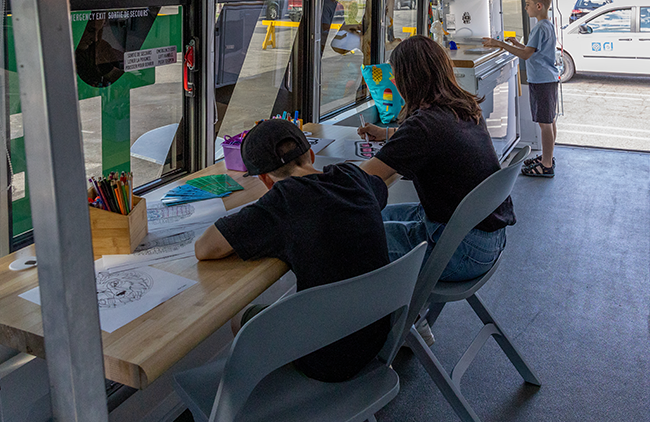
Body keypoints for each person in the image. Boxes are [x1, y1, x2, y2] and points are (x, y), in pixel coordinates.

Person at [194, 119, 391, 382]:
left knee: (242, 320)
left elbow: (205, 247)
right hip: (376, 333)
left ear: (265, 180)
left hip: (329, 358)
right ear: (310, 154)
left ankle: (273, 396)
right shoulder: (352, 176)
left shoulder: (282, 202)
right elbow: (378, 196)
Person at [357, 35, 515, 283]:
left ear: (407, 80)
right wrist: (388, 134)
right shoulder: (462, 107)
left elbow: (362, 178)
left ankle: (397, 319)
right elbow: (435, 138)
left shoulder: (423, 126)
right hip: (484, 237)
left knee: (351, 240)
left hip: (460, 250)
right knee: (367, 219)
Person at [482, 0, 558, 177]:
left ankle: (546, 164)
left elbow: (525, 55)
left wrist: (499, 44)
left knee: (544, 123)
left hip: (541, 81)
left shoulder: (540, 27)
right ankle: (547, 157)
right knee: (549, 120)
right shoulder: (546, 25)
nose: (526, 8)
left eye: (528, 4)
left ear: (538, 6)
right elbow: (531, 51)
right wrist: (517, 44)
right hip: (547, 79)